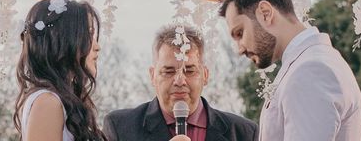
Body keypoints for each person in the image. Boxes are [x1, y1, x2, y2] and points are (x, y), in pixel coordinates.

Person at [219, 0, 361, 141]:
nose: (239, 49)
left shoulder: (310, 70)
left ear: (265, 13)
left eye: (240, 32)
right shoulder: (312, 62)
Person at [103, 24, 258, 141]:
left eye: (189, 70)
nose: (179, 81)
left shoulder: (243, 133)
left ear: (205, 75)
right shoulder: (120, 128)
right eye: (169, 71)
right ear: (152, 76)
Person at [14, 0, 106, 141]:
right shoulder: (47, 102)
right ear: (63, 40)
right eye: (88, 34)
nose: (97, 46)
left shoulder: (58, 101)